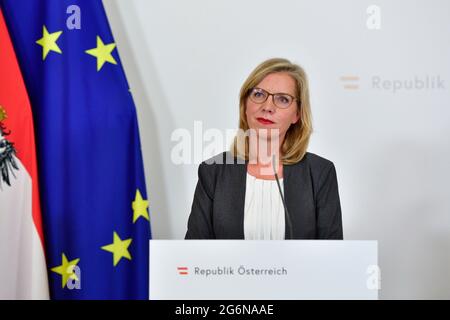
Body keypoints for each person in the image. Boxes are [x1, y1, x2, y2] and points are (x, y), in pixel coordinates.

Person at [185, 58, 343, 240]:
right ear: (245, 105)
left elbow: (333, 256)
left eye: (283, 99)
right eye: (259, 95)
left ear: (297, 115)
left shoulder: (320, 173)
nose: (267, 107)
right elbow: (194, 254)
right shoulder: (213, 172)